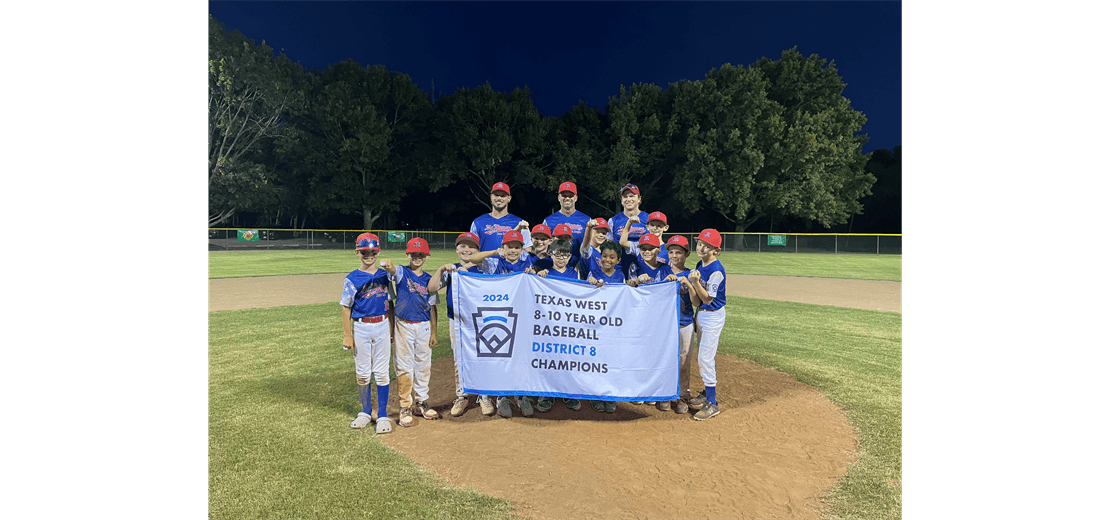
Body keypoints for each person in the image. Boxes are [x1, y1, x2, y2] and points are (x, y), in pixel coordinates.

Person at [426, 232, 500, 417]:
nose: (467, 250)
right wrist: (442, 269)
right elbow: (432, 288)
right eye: (463, 246)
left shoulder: (484, 268)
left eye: (471, 246)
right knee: (459, 358)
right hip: (457, 321)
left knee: (482, 356)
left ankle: (484, 396)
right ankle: (462, 395)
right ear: (457, 249)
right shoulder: (452, 270)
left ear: (478, 250)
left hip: (480, 320)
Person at [381, 237, 439, 427]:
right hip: (403, 325)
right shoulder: (402, 272)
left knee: (423, 365)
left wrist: (434, 333)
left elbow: (433, 307)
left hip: (423, 326)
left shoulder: (429, 279)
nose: (417, 257)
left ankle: (421, 401)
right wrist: (388, 265)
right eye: (414, 254)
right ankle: (405, 406)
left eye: (420, 254)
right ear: (408, 255)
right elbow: (392, 270)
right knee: (404, 366)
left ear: (426, 257)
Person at [340, 233, 394, 434]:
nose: (369, 255)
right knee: (362, 373)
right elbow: (346, 308)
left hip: (381, 325)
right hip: (361, 327)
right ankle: (365, 412)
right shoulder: (352, 278)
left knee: (381, 372)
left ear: (378, 251)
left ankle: (382, 415)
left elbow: (390, 304)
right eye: (364, 252)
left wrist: (392, 328)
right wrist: (347, 335)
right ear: (357, 252)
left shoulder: (384, 275)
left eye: (372, 252)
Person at [532, 238, 585, 413]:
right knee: (548, 359)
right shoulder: (545, 273)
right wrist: (538, 278)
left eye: (565, 255)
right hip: (549, 324)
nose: (561, 258)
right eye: (557, 254)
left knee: (568, 360)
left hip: (568, 324)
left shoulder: (574, 273)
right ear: (550, 254)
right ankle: (547, 394)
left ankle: (568, 392)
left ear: (570, 257)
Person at [584, 239, 630, 414]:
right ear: (599, 257)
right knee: (595, 361)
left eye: (612, 257)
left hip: (613, 326)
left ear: (618, 260)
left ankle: (609, 396)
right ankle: (596, 395)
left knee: (610, 361)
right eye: (604, 256)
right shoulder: (593, 272)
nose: (607, 260)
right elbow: (586, 289)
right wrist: (592, 282)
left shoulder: (620, 276)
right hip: (595, 325)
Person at [687, 229, 727, 421]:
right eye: (700, 243)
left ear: (716, 250)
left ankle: (713, 403)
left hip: (713, 316)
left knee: (705, 359)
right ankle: (706, 392)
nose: (702, 248)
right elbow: (697, 301)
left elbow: (708, 299)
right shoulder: (699, 264)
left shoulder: (716, 270)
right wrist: (691, 285)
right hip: (702, 314)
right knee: (705, 357)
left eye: (707, 246)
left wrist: (695, 282)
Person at [660, 235, 700, 414]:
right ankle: (666, 394)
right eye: (671, 252)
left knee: (684, 359)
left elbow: (696, 301)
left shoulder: (691, 274)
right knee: (667, 358)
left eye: (679, 252)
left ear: (686, 254)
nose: (674, 255)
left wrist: (689, 284)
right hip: (665, 324)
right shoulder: (661, 272)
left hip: (684, 321)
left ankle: (683, 394)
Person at [470, 181, 531, 252]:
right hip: (485, 263)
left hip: (510, 263)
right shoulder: (478, 222)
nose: (499, 198)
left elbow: (527, 249)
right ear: (491, 197)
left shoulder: (520, 223)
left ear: (509, 198)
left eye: (503, 196)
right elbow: (472, 250)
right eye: (496, 195)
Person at [542, 181, 591, 264]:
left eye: (571, 195)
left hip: (580, 267)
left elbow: (592, 247)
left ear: (576, 198)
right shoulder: (549, 221)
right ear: (559, 197)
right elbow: (543, 247)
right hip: (556, 266)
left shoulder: (586, 220)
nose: (567, 198)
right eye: (564, 195)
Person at [606, 183, 650, 247]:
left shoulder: (649, 219)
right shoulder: (613, 221)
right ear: (621, 201)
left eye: (631, 196)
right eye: (625, 197)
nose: (628, 199)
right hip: (620, 256)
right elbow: (609, 246)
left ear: (639, 199)